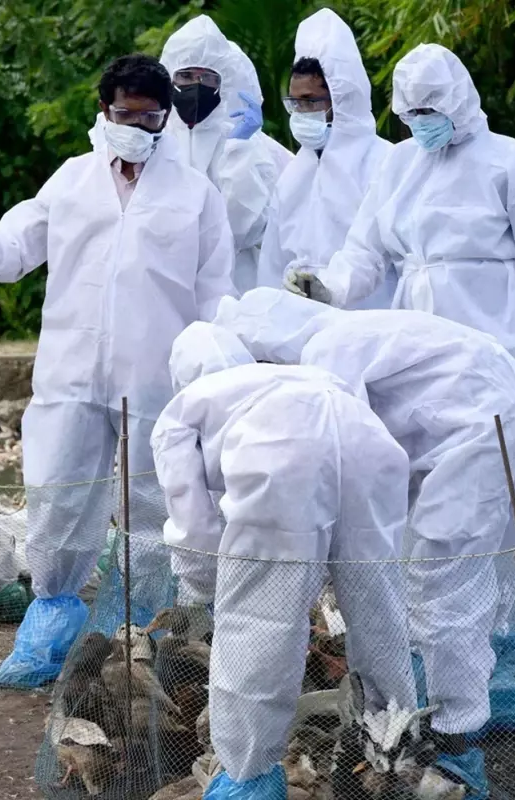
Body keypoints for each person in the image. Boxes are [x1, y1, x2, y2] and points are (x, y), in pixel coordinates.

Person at [0, 54, 238, 688]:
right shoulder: (71, 182)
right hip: (71, 375)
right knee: (59, 498)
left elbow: (215, 294)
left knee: (155, 510)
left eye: (150, 118)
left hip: (157, 378)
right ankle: (50, 625)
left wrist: (212, 378)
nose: (136, 128)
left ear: (166, 119)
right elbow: (7, 250)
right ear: (104, 111)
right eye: (124, 114)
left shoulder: (195, 195)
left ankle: (139, 635)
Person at [216, 287, 515, 799]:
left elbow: (347, 462)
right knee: (455, 572)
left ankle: (454, 742)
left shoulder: (327, 355)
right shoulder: (355, 333)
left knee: (445, 578)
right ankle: (449, 714)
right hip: (488, 411)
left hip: (478, 427)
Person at [152, 322, 417, 799]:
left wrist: (210, 588)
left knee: (259, 624)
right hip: (369, 440)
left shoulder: (183, 409)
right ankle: (395, 749)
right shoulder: (289, 377)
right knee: (379, 608)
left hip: (279, 454)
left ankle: (247, 774)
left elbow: (192, 530)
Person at [284, 43, 515, 428]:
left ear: (457, 101)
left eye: (428, 110)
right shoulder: (398, 164)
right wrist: (329, 287)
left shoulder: (514, 163)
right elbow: (364, 251)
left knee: (493, 450)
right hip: (414, 349)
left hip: (493, 344)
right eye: (411, 113)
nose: (419, 121)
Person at [256, 8, 398, 309]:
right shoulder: (294, 175)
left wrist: (334, 289)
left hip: (371, 318)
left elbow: (383, 256)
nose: (300, 112)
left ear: (341, 98)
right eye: (295, 102)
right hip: (300, 321)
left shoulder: (384, 162)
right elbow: (272, 263)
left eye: (310, 101)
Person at [160, 14, 294, 295]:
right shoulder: (158, 139)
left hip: (234, 283)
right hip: (167, 280)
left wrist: (239, 152)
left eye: (207, 78)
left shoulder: (243, 142)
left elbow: (243, 228)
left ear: (224, 81)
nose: (196, 85)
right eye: (186, 75)